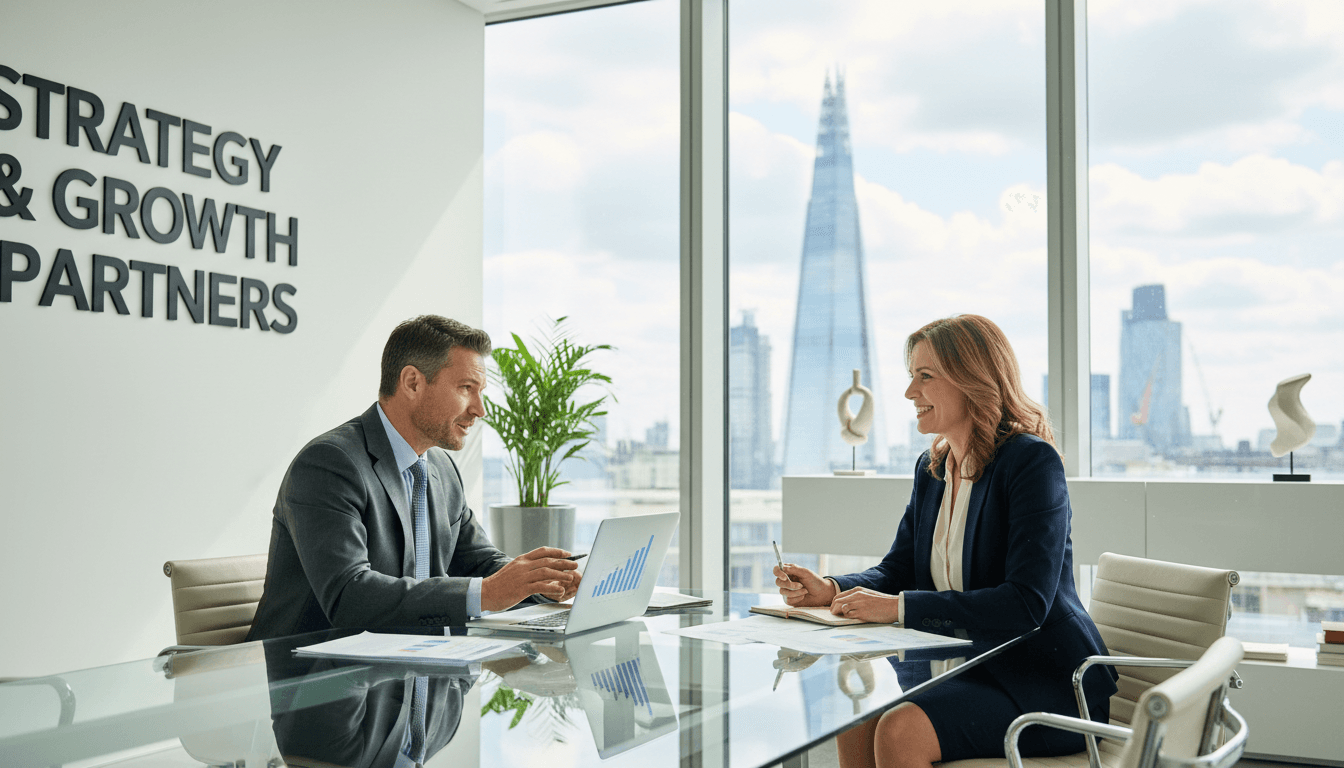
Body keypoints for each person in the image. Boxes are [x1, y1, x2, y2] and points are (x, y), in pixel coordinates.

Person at [774, 315, 1117, 768]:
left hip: (1043, 679)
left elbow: (1026, 602)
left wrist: (898, 608)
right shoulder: (933, 469)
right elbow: (897, 569)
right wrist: (832, 589)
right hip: (964, 665)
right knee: (854, 718)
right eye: (911, 377)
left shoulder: (1032, 462)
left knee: (901, 730)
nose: (910, 393)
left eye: (925, 376)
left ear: (972, 380)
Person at [247, 315, 580, 641]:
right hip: (312, 679)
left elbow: (479, 562)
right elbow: (349, 595)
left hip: (410, 663)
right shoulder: (329, 464)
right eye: (466, 388)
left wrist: (544, 584)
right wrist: (488, 593)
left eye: (481, 391)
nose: (480, 409)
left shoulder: (442, 469)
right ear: (412, 382)